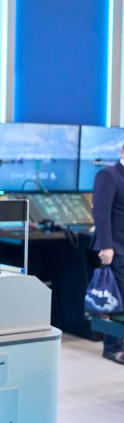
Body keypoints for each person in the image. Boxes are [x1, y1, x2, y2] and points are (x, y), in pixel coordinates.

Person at [91, 144, 124, 364]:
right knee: (117, 300)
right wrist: (106, 247)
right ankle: (113, 347)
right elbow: (101, 213)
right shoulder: (109, 175)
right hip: (116, 249)